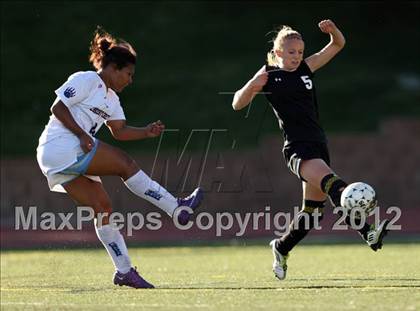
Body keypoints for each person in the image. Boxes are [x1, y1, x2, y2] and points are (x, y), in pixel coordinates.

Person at [36, 27, 203, 289]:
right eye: (128, 73)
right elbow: (57, 107)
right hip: (59, 146)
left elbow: (120, 131)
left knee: (102, 207)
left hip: (65, 155)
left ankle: (124, 271)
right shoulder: (87, 80)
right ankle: (176, 208)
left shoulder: (112, 99)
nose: (130, 80)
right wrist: (81, 134)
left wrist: (146, 132)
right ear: (113, 68)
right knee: (125, 164)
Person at [231, 20, 389, 280]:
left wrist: (333, 31)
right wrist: (252, 84)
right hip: (297, 149)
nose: (297, 57)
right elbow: (237, 103)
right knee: (333, 184)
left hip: (318, 144)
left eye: (300, 52)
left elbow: (337, 44)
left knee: (312, 214)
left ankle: (281, 247)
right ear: (278, 52)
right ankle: (368, 232)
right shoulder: (269, 76)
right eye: (291, 52)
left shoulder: (306, 68)